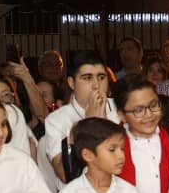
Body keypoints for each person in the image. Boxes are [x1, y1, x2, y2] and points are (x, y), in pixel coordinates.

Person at [41, 51, 118, 183]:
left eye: (101, 77)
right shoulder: (56, 120)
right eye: (87, 78)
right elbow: (65, 174)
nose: (96, 85)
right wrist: (87, 126)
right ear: (71, 83)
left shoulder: (120, 109)